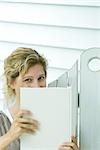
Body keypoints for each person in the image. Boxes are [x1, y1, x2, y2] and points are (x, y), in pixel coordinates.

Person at [0, 47, 79, 150]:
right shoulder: (3, 121)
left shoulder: (58, 119)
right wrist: (10, 135)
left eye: (41, 78)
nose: (37, 86)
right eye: (28, 80)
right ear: (11, 83)